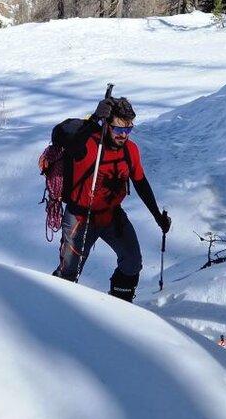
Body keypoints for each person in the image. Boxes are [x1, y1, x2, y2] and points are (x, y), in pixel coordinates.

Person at [47, 96, 172, 302]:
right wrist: (94, 118)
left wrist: (158, 216)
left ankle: (119, 306)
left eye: (128, 129)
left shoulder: (130, 151)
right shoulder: (86, 145)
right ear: (106, 125)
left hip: (111, 216)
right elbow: (60, 136)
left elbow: (140, 183)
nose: (123, 135)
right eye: (118, 129)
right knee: (69, 275)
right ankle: (52, 310)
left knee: (132, 263)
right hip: (80, 218)